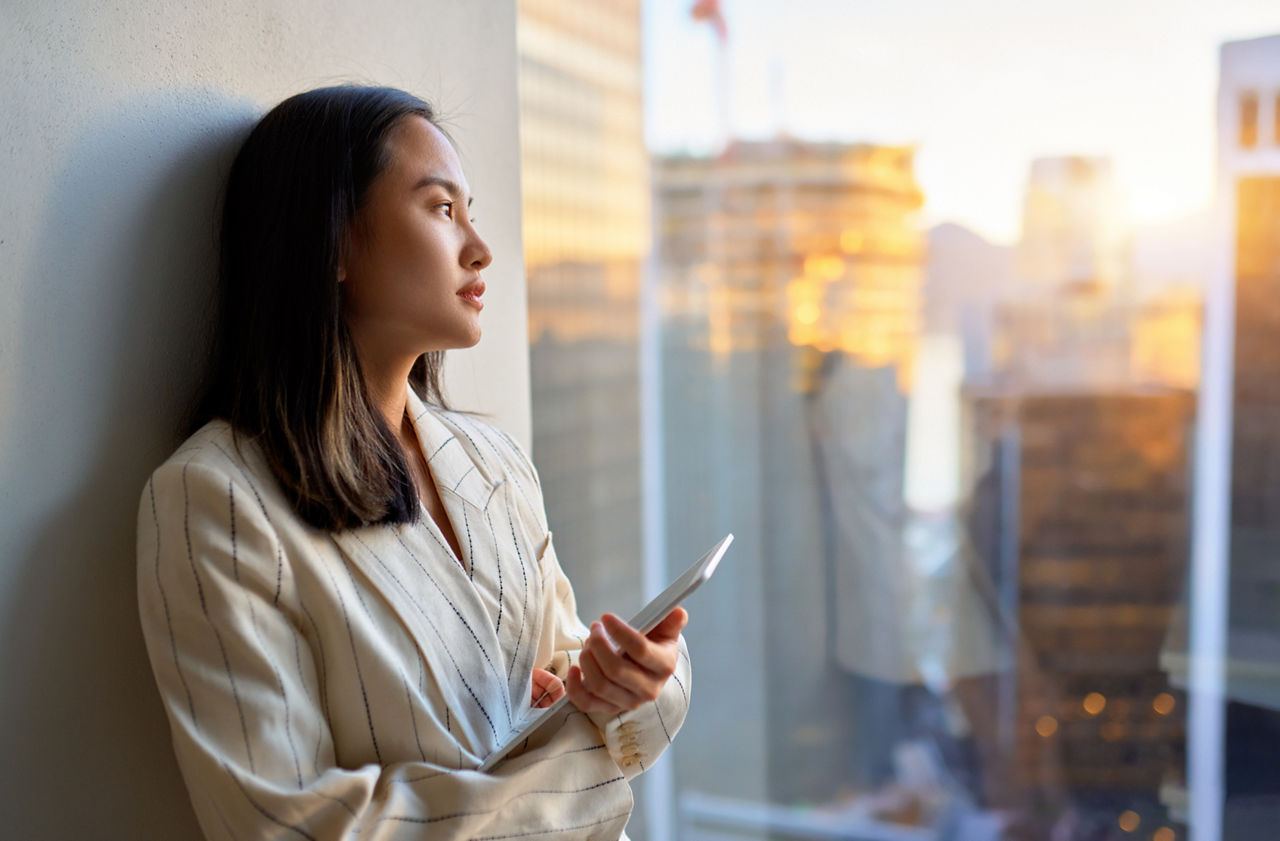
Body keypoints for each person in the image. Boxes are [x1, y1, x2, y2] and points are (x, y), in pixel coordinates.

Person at [136, 85, 691, 841]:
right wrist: (581, 766)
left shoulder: (496, 462)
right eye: (440, 209)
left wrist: (635, 686)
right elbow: (289, 824)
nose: (479, 248)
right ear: (334, 240)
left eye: (471, 211)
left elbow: (567, 673)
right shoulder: (216, 499)